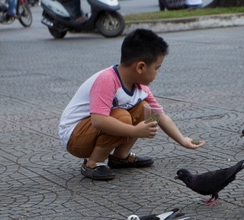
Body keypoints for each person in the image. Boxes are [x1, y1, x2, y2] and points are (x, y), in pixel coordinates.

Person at [58, 29, 205, 180]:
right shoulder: (107, 80)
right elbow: (99, 120)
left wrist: (183, 140)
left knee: (144, 109)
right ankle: (93, 163)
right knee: (122, 117)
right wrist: (135, 130)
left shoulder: (141, 88)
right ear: (140, 67)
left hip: (92, 131)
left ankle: (120, 157)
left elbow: (160, 116)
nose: (157, 74)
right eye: (156, 68)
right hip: (75, 138)